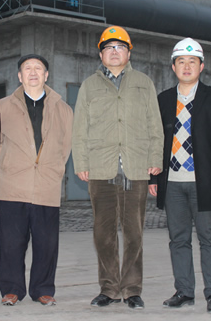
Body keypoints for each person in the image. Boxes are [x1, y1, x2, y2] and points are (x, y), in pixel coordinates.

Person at [72, 26, 164, 310]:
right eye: (109, 47)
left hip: (135, 168)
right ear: (101, 54)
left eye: (120, 47)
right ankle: (109, 288)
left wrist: (155, 158)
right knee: (104, 235)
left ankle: (132, 289)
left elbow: (155, 125)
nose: (114, 52)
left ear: (128, 53)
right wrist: (81, 162)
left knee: (134, 234)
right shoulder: (89, 86)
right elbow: (80, 128)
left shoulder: (143, 83)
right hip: (101, 169)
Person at [148, 38, 211, 314]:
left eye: (192, 62)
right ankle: (184, 291)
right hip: (172, 184)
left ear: (201, 66)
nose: (187, 67)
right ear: (173, 67)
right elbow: (156, 140)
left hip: (205, 183)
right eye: (181, 62)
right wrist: (154, 178)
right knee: (178, 239)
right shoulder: (163, 99)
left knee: (210, 238)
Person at [0, 54, 73, 307]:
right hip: (13, 185)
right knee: (11, 243)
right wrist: (5, 163)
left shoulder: (62, 109)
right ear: (19, 76)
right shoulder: (2, 107)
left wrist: (55, 169)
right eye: (27, 68)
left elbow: (66, 146)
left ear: (46, 75)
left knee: (46, 244)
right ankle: (11, 289)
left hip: (46, 186)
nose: (33, 72)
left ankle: (43, 289)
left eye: (38, 68)